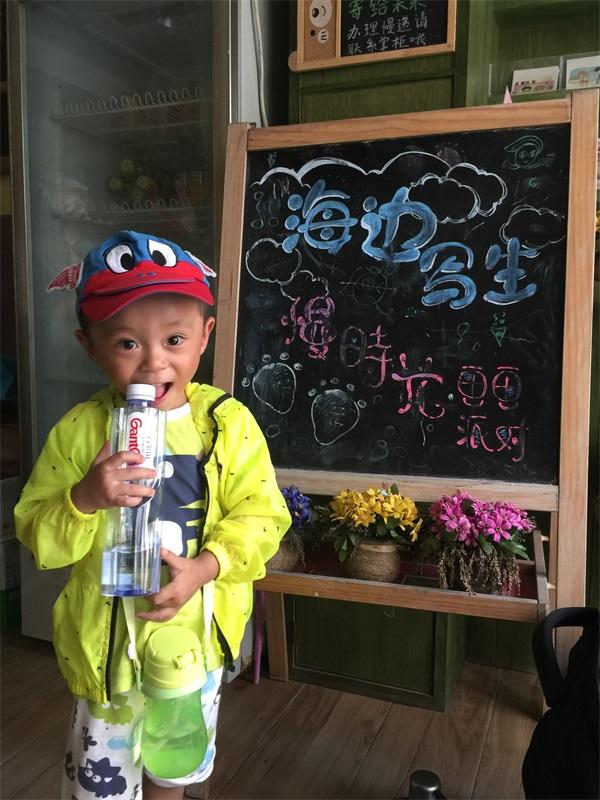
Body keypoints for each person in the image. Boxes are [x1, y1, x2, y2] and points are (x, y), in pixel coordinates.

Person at [14, 230, 291, 800]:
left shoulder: (227, 424)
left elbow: (263, 515)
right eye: (126, 343)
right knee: (104, 785)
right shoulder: (79, 432)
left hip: (192, 646)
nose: (153, 361)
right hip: (108, 654)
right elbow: (37, 534)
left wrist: (207, 567)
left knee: (174, 769)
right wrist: (83, 498)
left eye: (174, 339)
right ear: (90, 346)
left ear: (204, 336)